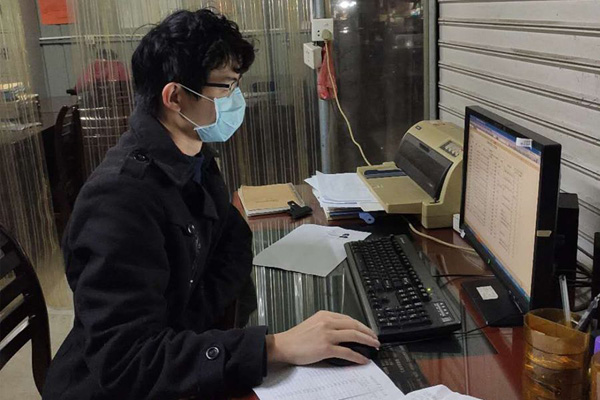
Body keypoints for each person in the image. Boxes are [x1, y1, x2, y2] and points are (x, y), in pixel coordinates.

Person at [42, 9, 380, 400]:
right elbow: (127, 362)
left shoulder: (192, 156)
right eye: (226, 86)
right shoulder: (119, 200)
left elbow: (231, 244)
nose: (237, 99)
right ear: (175, 97)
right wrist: (273, 347)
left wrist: (211, 335)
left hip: (176, 358)